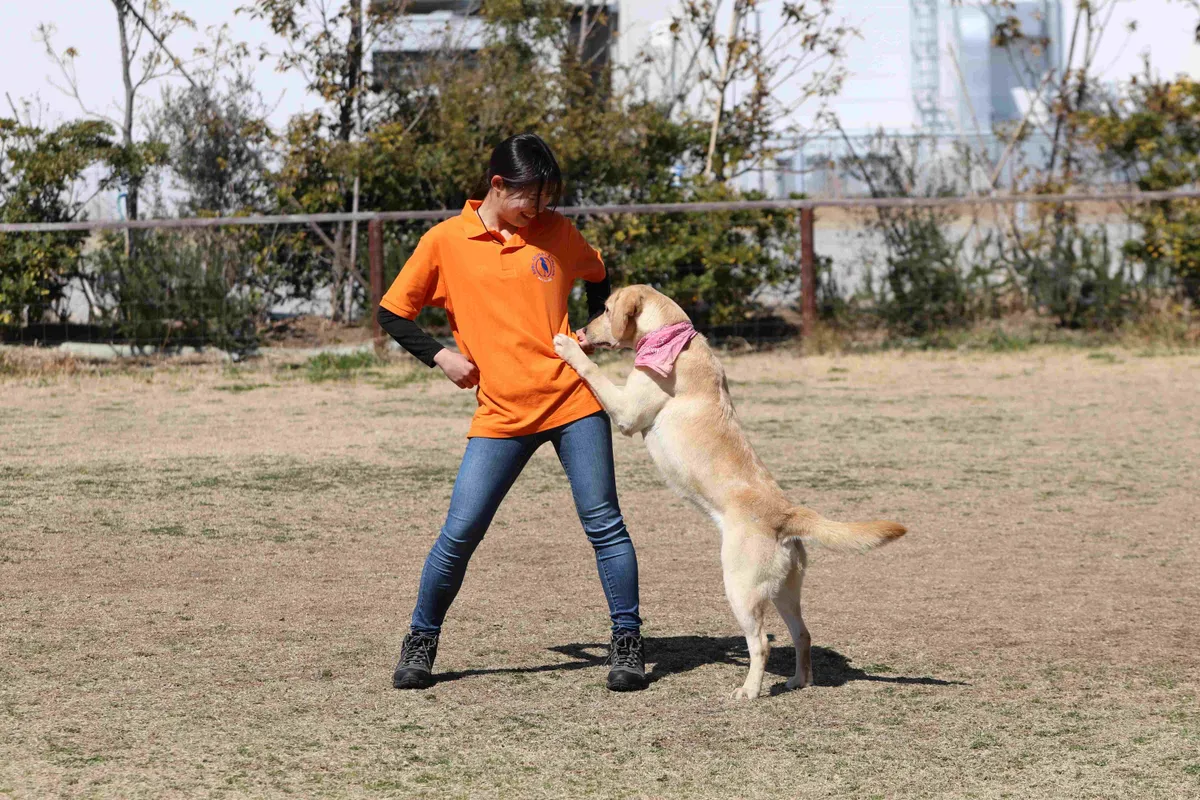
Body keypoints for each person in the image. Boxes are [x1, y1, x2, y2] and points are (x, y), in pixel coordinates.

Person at [377, 133, 647, 692]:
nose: (539, 210)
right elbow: (393, 313)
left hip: (573, 401)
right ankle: (421, 642)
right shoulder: (445, 242)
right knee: (460, 533)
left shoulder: (558, 234)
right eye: (531, 198)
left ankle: (626, 642)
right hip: (499, 414)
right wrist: (442, 357)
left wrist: (598, 332)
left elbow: (600, 279)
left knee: (605, 524)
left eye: (547, 200)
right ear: (498, 186)